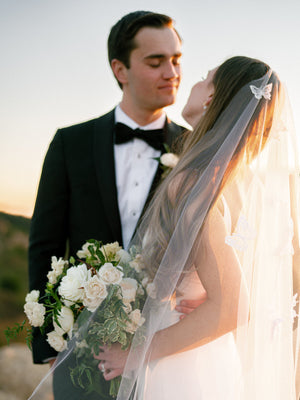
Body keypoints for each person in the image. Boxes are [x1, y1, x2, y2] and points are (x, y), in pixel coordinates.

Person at [90, 56, 299, 399]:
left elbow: (233, 306)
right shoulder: (244, 181)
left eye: (206, 78)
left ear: (211, 99)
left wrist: (134, 355)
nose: (195, 82)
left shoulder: (194, 181)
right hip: (212, 354)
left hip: (183, 364)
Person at [28, 10, 186, 400]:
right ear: (120, 69)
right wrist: (52, 346)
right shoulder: (70, 143)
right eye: (156, 61)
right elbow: (44, 245)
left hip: (166, 355)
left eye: (176, 59)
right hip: (82, 354)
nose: (172, 72)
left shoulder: (194, 150)